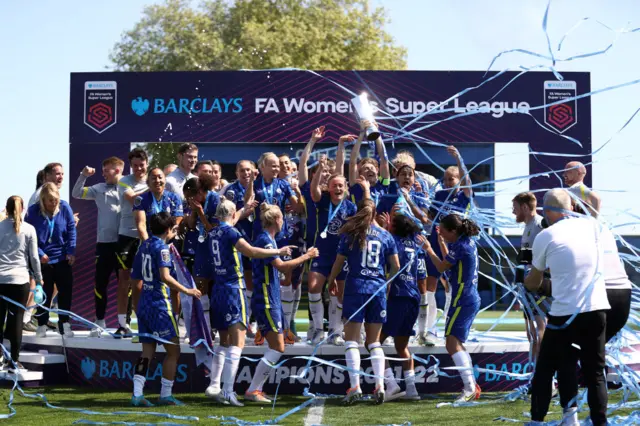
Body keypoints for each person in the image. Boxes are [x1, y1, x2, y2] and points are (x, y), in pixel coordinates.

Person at [524, 189, 610, 426]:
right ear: (571, 207)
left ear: (547, 211)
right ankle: (597, 422)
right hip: (597, 309)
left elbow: (533, 281)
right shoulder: (593, 227)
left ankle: (537, 420)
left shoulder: (546, 235)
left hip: (565, 314)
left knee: (546, 368)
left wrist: (533, 282)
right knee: (595, 373)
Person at [204, 200, 294, 406]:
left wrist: (244, 210)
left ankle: (215, 385)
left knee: (224, 341)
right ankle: (228, 391)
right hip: (233, 289)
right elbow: (252, 252)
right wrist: (277, 252)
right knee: (238, 343)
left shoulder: (214, 232)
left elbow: (230, 221)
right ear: (232, 213)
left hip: (217, 289)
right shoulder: (232, 234)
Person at [326, 199, 400, 405]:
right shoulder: (386, 236)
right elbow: (396, 266)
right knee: (374, 342)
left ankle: (355, 386)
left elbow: (338, 263)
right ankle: (379, 386)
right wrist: (387, 283)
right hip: (377, 290)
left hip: (356, 288)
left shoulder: (350, 234)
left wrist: (331, 281)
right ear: (375, 213)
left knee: (352, 341)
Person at [245, 204, 319, 402]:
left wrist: (284, 276)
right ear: (278, 220)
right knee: (278, 347)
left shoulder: (270, 240)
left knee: (277, 345)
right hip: (266, 300)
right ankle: (253, 390)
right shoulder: (264, 239)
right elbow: (280, 264)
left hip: (271, 297)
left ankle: (257, 389)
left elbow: (275, 268)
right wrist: (306, 256)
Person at [130, 212, 202, 407]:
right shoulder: (162, 249)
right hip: (159, 305)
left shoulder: (143, 245)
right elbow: (165, 277)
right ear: (169, 230)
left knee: (146, 352)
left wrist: (137, 306)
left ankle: (137, 394)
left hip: (144, 303)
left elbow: (134, 279)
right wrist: (187, 290)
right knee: (173, 351)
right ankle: (165, 394)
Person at [421, 213, 482, 403]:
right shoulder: (465, 242)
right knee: (457, 343)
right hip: (468, 297)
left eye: (444, 231)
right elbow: (449, 259)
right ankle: (472, 385)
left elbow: (440, 267)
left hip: (463, 299)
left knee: (451, 343)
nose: (442, 234)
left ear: (453, 231)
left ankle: (470, 388)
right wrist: (440, 243)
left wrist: (429, 248)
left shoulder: (461, 246)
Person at [422, 145, 473, 346]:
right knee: (430, 284)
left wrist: (459, 160)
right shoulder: (440, 195)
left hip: (455, 245)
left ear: (458, 180)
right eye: (445, 179)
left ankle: (452, 325)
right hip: (436, 241)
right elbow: (430, 218)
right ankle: (429, 328)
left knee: (452, 285)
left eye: (451, 179)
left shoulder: (465, 196)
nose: (447, 182)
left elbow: (468, 181)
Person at [71, 157, 124, 337]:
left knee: (126, 285)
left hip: (125, 243)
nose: (102, 174)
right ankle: (99, 321)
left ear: (117, 170)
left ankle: (124, 324)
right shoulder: (99, 189)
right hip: (104, 245)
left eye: (106, 170)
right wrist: (83, 175)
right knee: (100, 284)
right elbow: (76, 193)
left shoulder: (129, 187)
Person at [308, 156, 356, 346]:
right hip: (321, 252)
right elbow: (313, 190)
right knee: (313, 287)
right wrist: (320, 169)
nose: (337, 189)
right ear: (328, 187)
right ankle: (318, 329)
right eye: (334, 186)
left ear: (345, 189)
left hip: (341, 255)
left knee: (339, 294)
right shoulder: (324, 200)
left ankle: (336, 331)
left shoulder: (350, 207)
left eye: (340, 186)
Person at [379, 213, 423, 402]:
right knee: (401, 346)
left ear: (394, 227)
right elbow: (422, 276)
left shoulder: (392, 240)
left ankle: (392, 385)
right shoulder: (415, 243)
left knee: (373, 342)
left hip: (398, 296)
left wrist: (384, 228)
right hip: (414, 296)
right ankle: (412, 389)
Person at [26, 183, 76, 338]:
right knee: (43, 293)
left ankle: (64, 324)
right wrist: (39, 253)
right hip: (43, 260)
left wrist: (71, 251)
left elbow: (71, 229)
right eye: (50, 201)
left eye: (55, 200)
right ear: (42, 200)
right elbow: (29, 235)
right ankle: (41, 325)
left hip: (62, 258)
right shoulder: (33, 212)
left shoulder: (64, 207)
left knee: (65, 291)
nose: (53, 203)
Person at [0, 196, 43, 372]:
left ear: (6, 208)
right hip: (20, 281)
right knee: (16, 320)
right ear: (23, 208)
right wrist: (39, 278)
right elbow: (34, 257)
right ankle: (14, 361)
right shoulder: (29, 229)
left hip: (1, 280)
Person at [116, 147, 149, 337]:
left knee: (144, 283)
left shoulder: (152, 179)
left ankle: (144, 323)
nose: (138, 169)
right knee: (124, 280)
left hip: (147, 236)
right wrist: (153, 189)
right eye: (135, 166)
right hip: (127, 235)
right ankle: (122, 324)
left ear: (147, 164)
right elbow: (134, 200)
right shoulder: (124, 181)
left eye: (142, 165)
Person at [512, 192, 548, 362]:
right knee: (532, 332)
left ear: (525, 207)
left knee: (539, 330)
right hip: (527, 286)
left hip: (539, 285)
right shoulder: (527, 226)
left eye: (515, 208)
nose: (513, 212)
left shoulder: (540, 224)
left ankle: (544, 379)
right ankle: (536, 376)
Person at [349, 120, 389, 205]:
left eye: (371, 168)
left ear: (377, 170)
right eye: (366, 169)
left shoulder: (383, 185)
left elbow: (384, 160)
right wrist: (362, 133)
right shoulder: (356, 185)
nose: (370, 170)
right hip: (360, 218)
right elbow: (352, 162)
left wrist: (376, 134)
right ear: (360, 174)